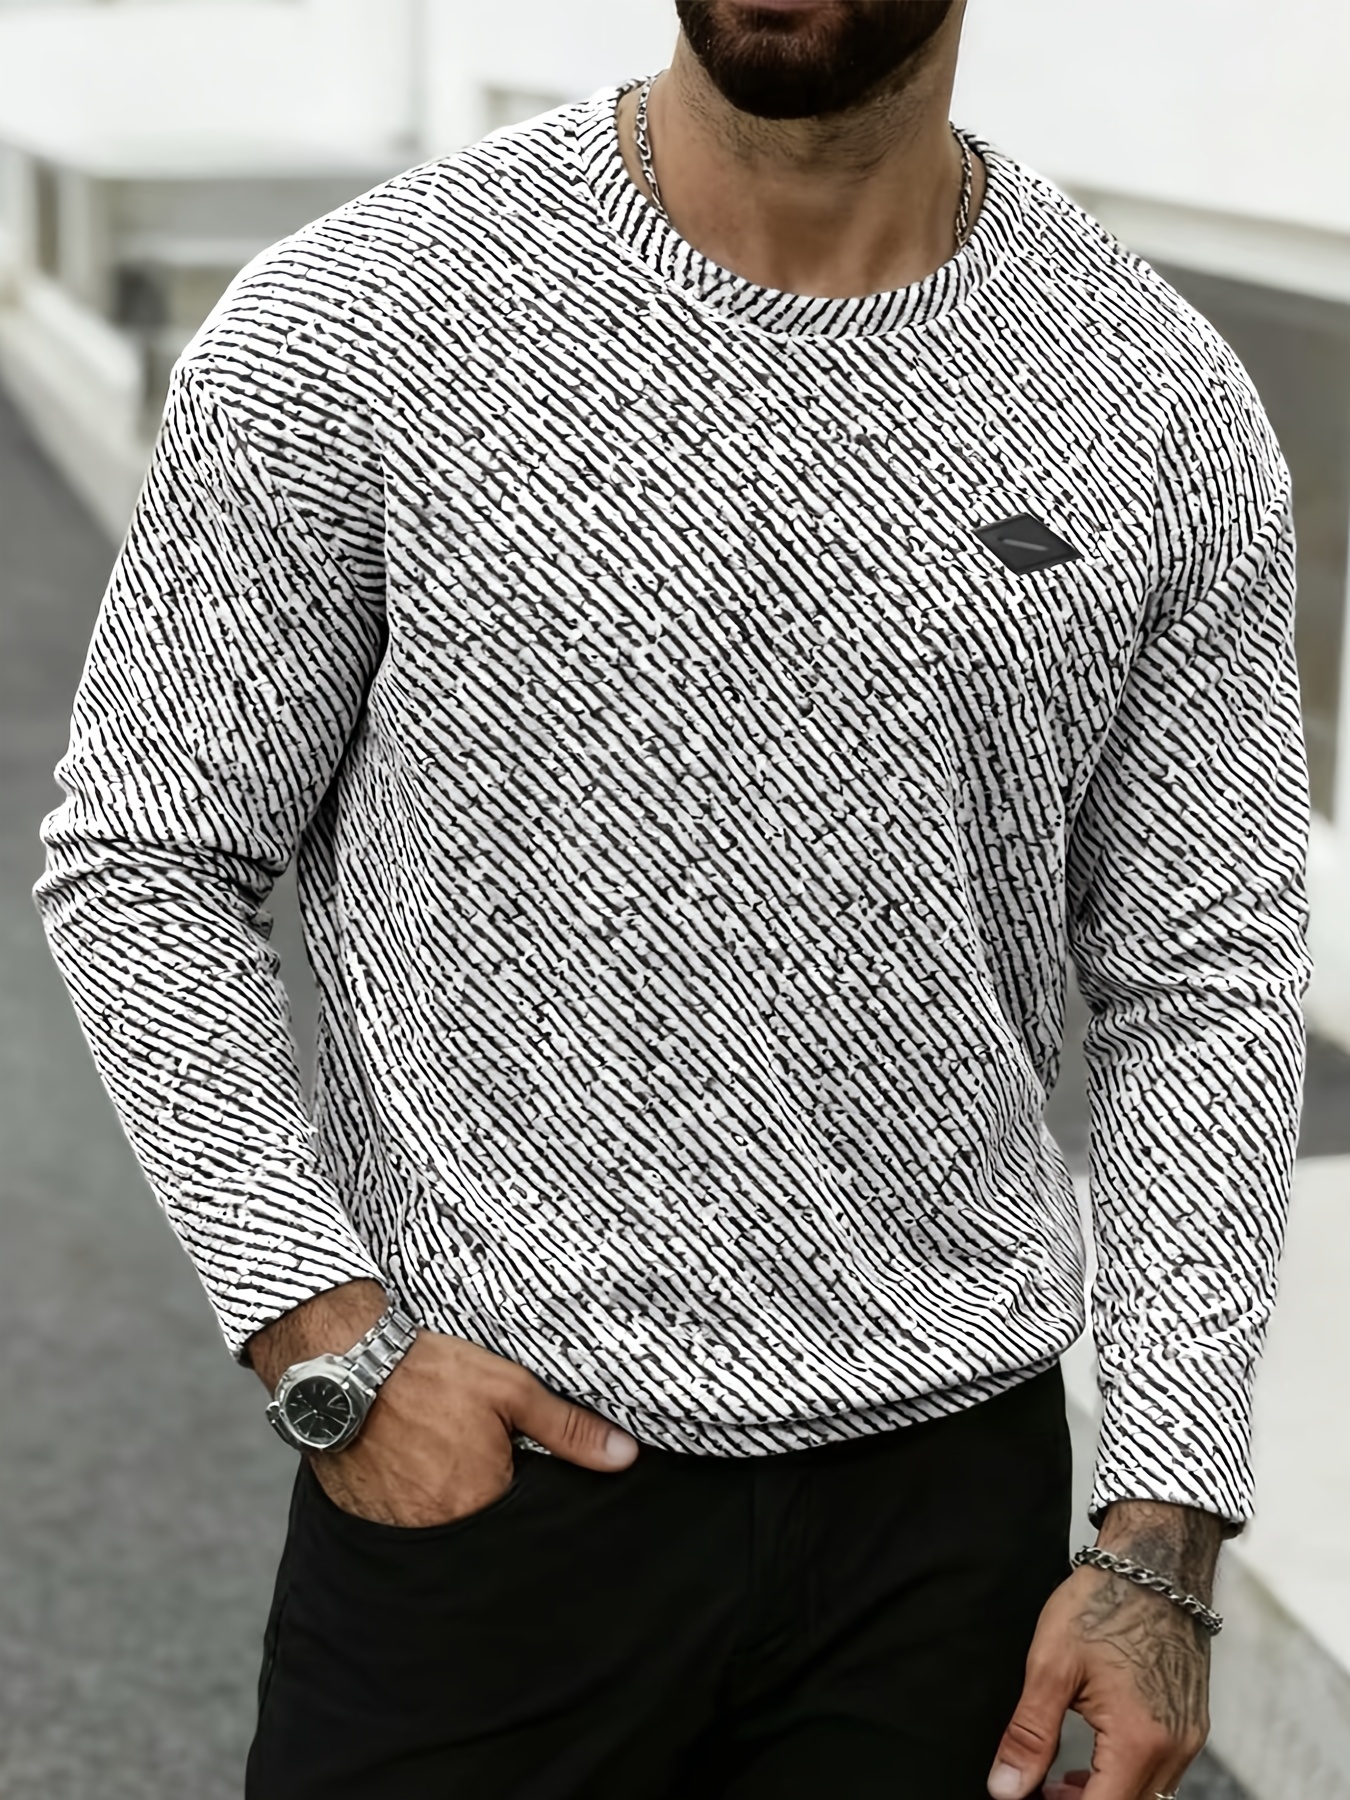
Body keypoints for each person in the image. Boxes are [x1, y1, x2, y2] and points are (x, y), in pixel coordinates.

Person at [34, 2, 1312, 1797]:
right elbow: (150, 853)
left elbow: (1206, 970)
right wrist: (319, 1337)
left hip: (941, 1516)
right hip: (494, 1486)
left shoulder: (1152, 397)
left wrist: (1159, 1528)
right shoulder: (361, 319)